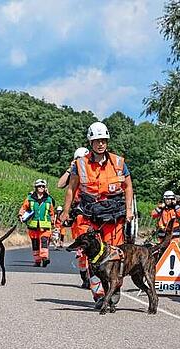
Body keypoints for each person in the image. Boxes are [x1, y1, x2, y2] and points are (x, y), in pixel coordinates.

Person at [62, 122, 134, 305]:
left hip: (113, 214)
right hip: (89, 214)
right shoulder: (80, 164)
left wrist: (129, 210)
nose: (101, 144)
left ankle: (115, 288)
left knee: (115, 253)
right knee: (92, 254)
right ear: (90, 142)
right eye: (97, 141)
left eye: (103, 140)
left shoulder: (118, 162)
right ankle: (99, 294)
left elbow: (128, 187)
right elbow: (71, 189)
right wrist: (65, 211)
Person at [60, 147, 92, 287]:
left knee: (93, 247)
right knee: (83, 247)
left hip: (93, 212)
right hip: (79, 215)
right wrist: (70, 169)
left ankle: (92, 276)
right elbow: (60, 184)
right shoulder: (74, 172)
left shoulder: (91, 171)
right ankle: (85, 277)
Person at [19, 179, 55, 267]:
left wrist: (53, 220)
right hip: (33, 225)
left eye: (43, 186)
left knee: (44, 241)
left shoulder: (49, 199)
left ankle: (44, 258)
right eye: (39, 186)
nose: (41, 188)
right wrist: (20, 215)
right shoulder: (30, 198)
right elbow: (24, 208)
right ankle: (37, 260)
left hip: (45, 225)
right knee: (35, 243)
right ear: (36, 187)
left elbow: (51, 212)